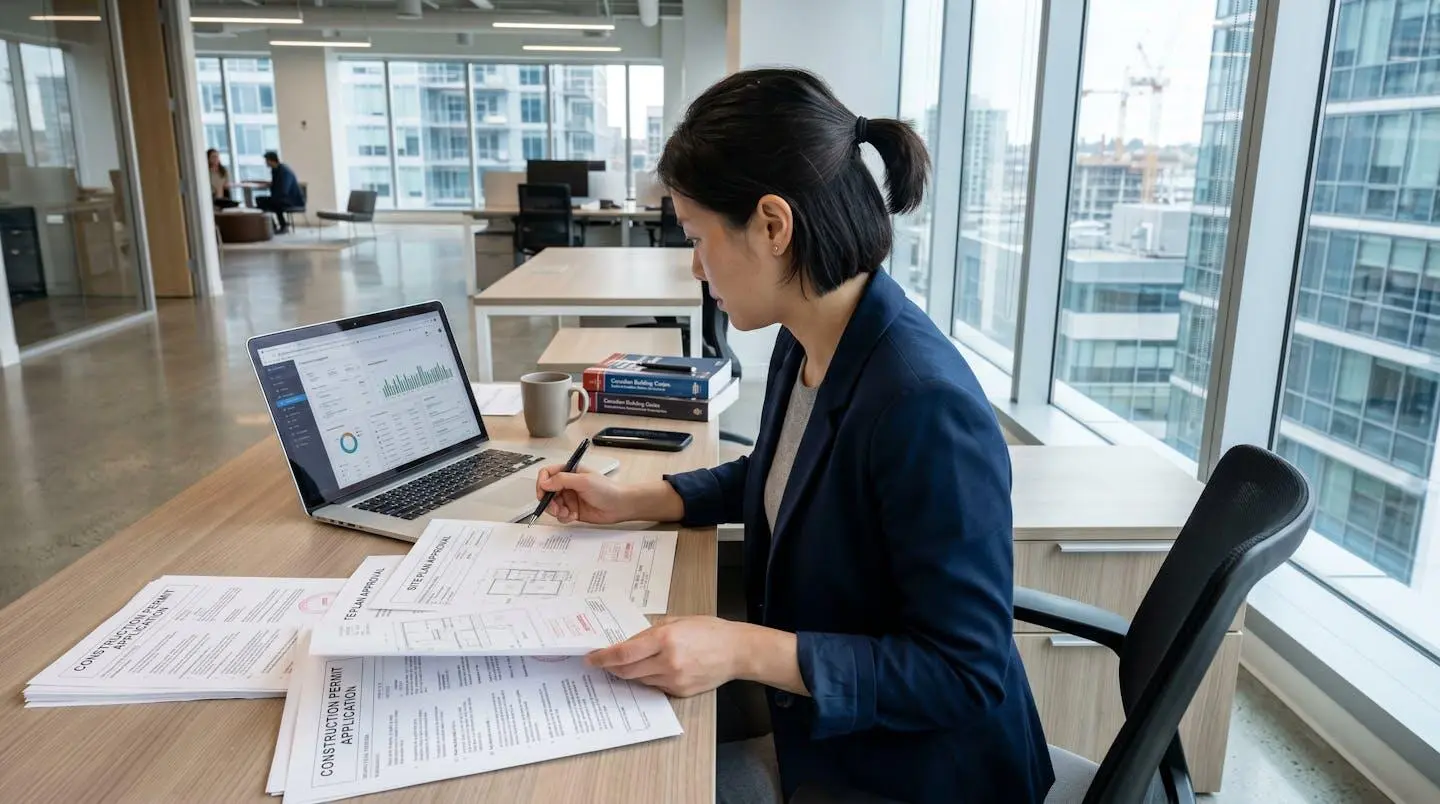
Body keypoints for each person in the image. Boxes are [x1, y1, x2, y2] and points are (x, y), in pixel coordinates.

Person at [533, 68, 1054, 803]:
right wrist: (637, 500)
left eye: (697, 236)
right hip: (825, 714)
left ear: (773, 225)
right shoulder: (810, 333)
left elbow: (962, 672)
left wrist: (743, 647)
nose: (695, 264)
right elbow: (783, 474)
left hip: (915, 771)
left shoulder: (922, 404)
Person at [253, 150, 304, 233]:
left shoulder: (284, 171)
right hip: (282, 197)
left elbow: (284, 189)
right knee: (260, 200)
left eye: (267, 161)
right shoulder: (275, 170)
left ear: (271, 160)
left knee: (270, 202)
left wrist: (274, 192)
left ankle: (281, 226)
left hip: (291, 199)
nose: (266, 163)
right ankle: (274, 226)